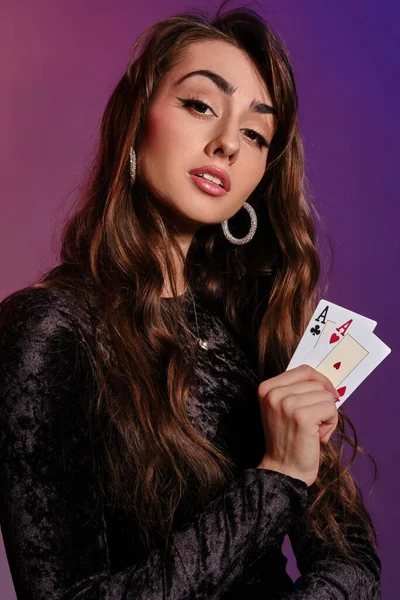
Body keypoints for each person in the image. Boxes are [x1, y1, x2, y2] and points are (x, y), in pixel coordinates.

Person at [0, 3, 381, 599]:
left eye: (256, 133)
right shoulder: (50, 328)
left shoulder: (254, 331)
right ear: (135, 119)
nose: (228, 142)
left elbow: (352, 565)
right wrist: (277, 477)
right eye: (201, 105)